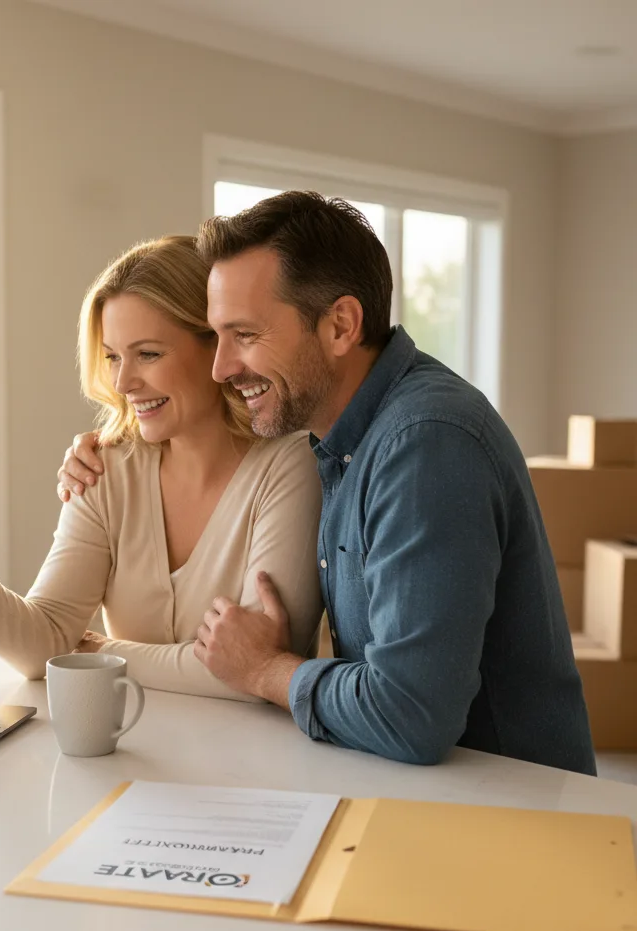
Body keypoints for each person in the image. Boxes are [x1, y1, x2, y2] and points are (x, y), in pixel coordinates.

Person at [58, 193, 596, 774]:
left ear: (340, 325)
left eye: (245, 335)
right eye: (218, 336)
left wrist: (264, 669)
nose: (222, 368)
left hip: (511, 818)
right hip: (426, 795)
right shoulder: (338, 441)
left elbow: (411, 717)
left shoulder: (424, 444)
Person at [0, 235, 323, 700]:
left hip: (257, 771)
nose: (123, 381)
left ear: (216, 347)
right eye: (113, 356)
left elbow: (256, 670)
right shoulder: (105, 467)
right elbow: (42, 645)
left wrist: (96, 651)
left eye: (148, 354)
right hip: (124, 758)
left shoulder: (291, 466)